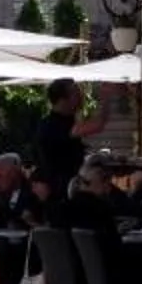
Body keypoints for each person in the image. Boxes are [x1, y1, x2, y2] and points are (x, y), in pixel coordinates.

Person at [31, 78, 103, 210]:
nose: (81, 96)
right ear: (63, 100)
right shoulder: (52, 124)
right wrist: (108, 98)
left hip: (70, 189)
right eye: (76, 93)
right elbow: (97, 125)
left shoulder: (68, 121)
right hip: (58, 194)